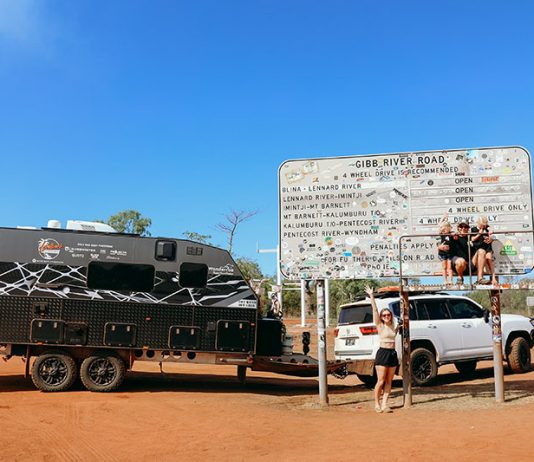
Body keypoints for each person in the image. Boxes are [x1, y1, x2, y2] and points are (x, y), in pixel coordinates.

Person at [365, 285, 399, 413]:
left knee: (389, 381)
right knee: (381, 380)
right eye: (384, 315)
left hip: (392, 353)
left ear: (391, 315)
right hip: (383, 353)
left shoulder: (393, 326)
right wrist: (372, 296)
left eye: (388, 315)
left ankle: (385, 404)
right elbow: (374, 310)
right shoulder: (380, 325)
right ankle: (377, 403)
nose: (386, 316)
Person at [471, 215, 496, 285]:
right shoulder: (474, 229)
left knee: (489, 258)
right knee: (482, 253)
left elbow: (492, 234)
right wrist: (479, 234)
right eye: (481, 225)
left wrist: (491, 237)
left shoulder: (487, 228)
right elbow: (472, 239)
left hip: (487, 248)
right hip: (478, 249)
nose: (483, 226)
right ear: (478, 223)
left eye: (484, 225)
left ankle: (493, 278)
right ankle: (480, 277)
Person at [450, 220, 471, 284]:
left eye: (466, 227)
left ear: (468, 228)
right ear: (458, 228)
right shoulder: (453, 236)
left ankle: (480, 278)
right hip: (457, 263)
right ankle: (460, 277)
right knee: (461, 261)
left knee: (481, 251)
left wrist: (491, 237)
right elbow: (441, 232)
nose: (463, 228)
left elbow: (484, 227)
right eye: (461, 226)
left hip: (468, 264)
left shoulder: (472, 237)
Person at [437, 220, 453, 285]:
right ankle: (445, 280)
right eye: (443, 229)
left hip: (450, 253)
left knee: (450, 267)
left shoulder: (451, 234)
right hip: (442, 253)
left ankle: (451, 280)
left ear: (449, 228)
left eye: (445, 229)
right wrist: (443, 218)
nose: (444, 231)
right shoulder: (441, 235)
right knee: (444, 267)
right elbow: (439, 225)